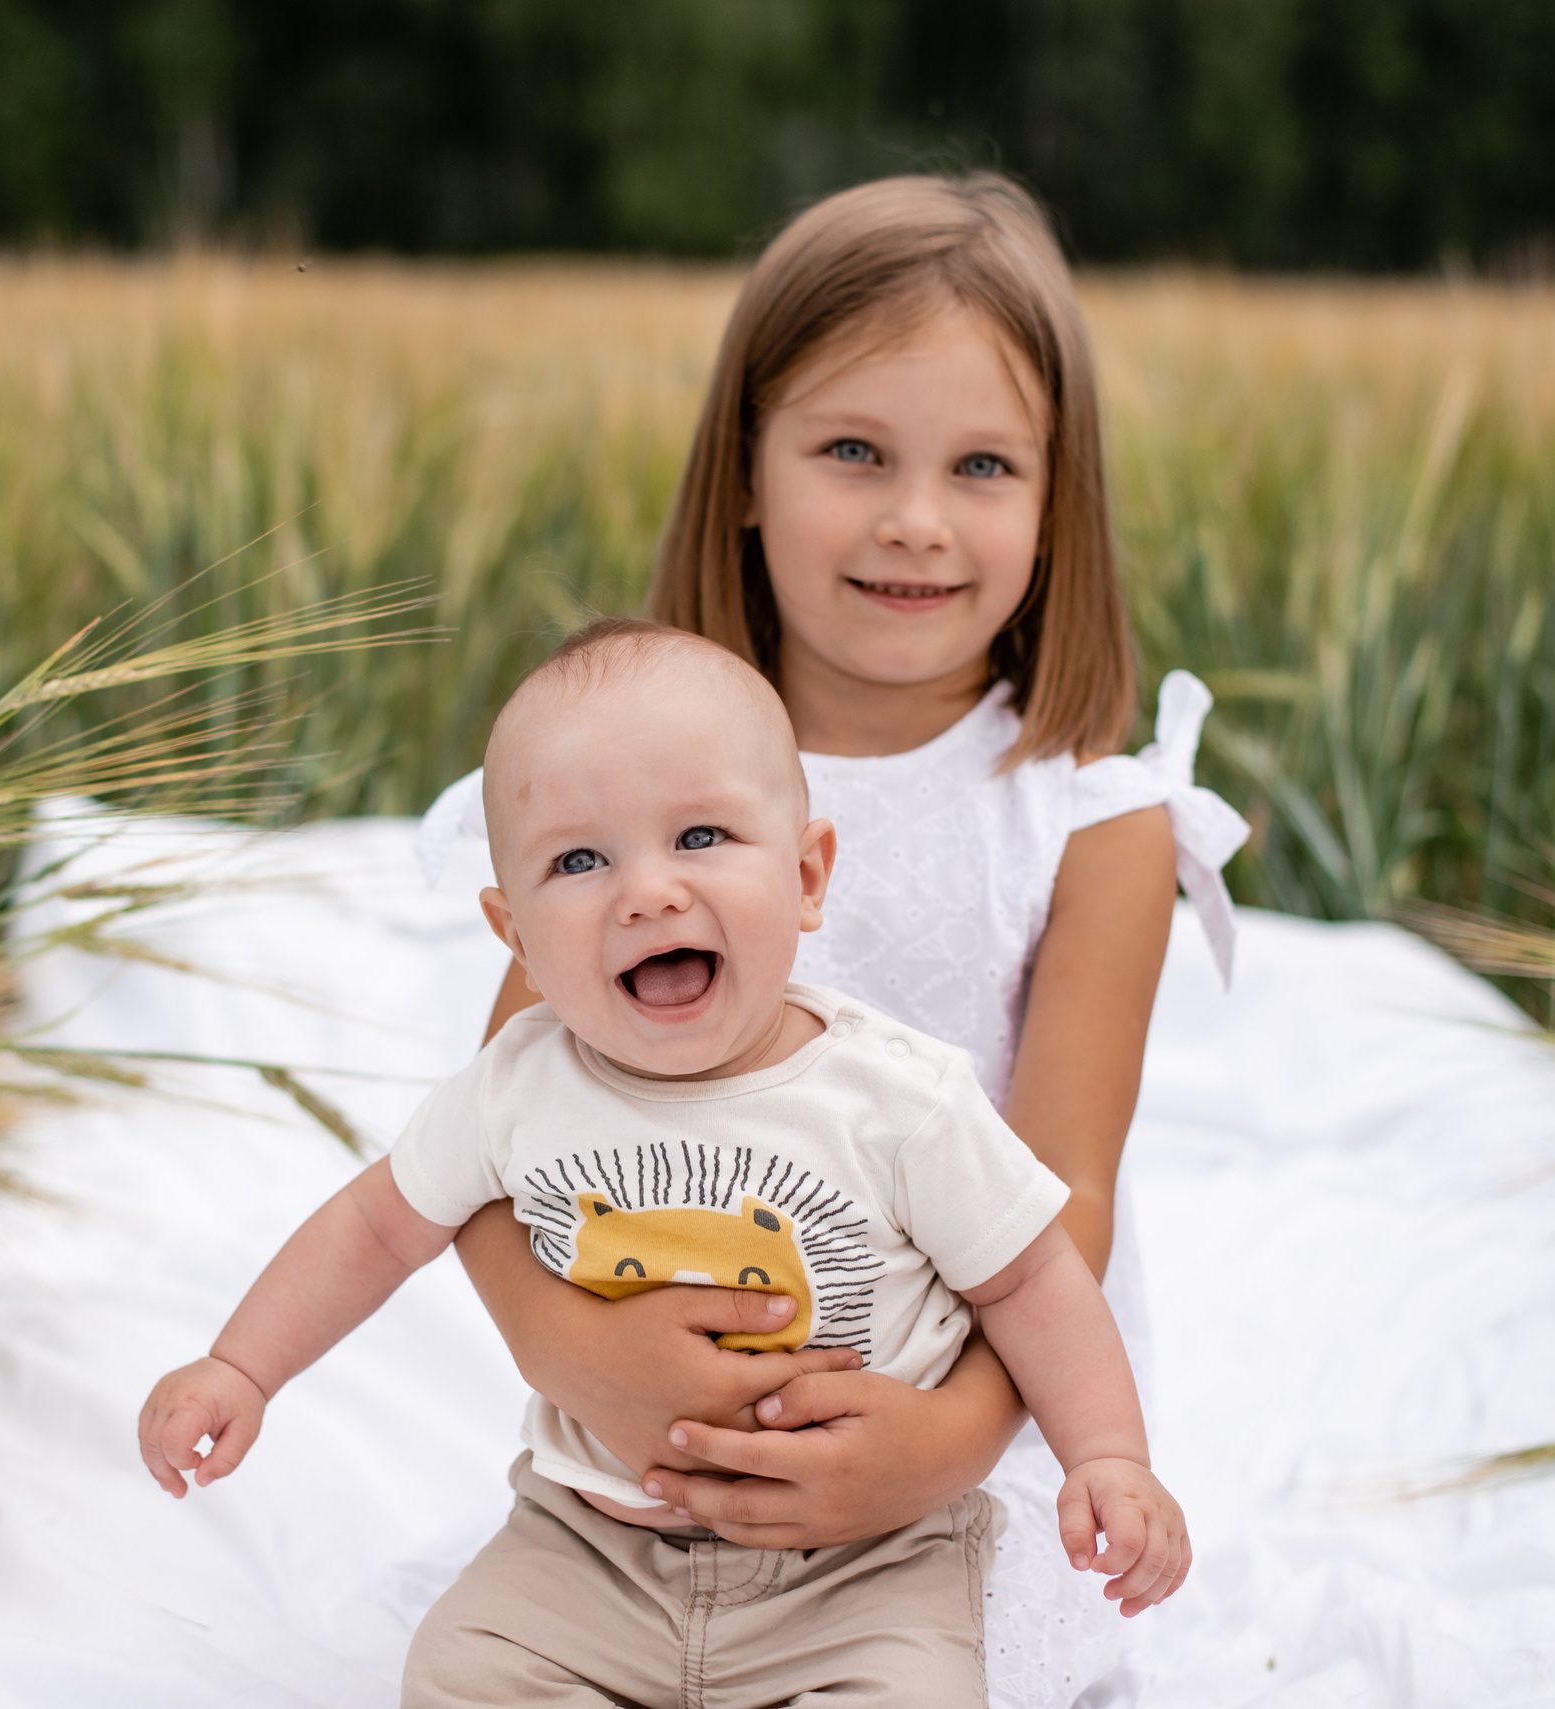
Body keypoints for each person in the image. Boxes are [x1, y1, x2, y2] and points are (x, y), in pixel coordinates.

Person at [412, 171, 1248, 1706]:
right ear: (744, 469)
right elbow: (485, 1138)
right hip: (644, 1454)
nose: (914, 521)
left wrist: (943, 1443)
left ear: (1057, 502)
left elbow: (1068, 1205)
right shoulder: (619, 778)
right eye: (853, 450)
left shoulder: (1091, 826)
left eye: (984, 465)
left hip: (961, 1428)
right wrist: (569, 1350)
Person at [140, 623, 1189, 1706]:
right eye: (578, 860)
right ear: (516, 939)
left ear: (807, 875)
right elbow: (373, 1225)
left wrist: (1107, 1455)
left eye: (699, 835)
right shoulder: (516, 1085)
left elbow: (1030, 1277)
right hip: (587, 1541)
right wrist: (242, 1366)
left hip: (868, 1560)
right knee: (461, 1669)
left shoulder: (898, 1096)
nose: (646, 891)